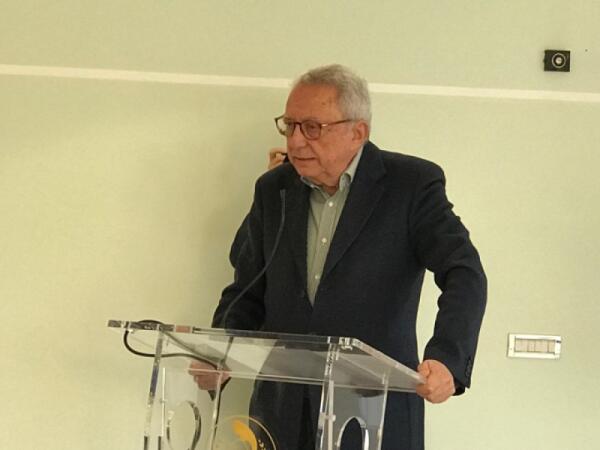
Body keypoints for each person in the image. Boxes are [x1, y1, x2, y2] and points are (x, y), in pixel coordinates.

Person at [205, 64, 487, 450]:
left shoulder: (411, 185)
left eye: (312, 128)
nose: (296, 141)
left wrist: (447, 358)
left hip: (374, 411)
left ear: (358, 132)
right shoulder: (274, 189)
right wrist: (220, 351)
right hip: (282, 414)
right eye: (290, 126)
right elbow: (248, 286)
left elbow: (464, 272)